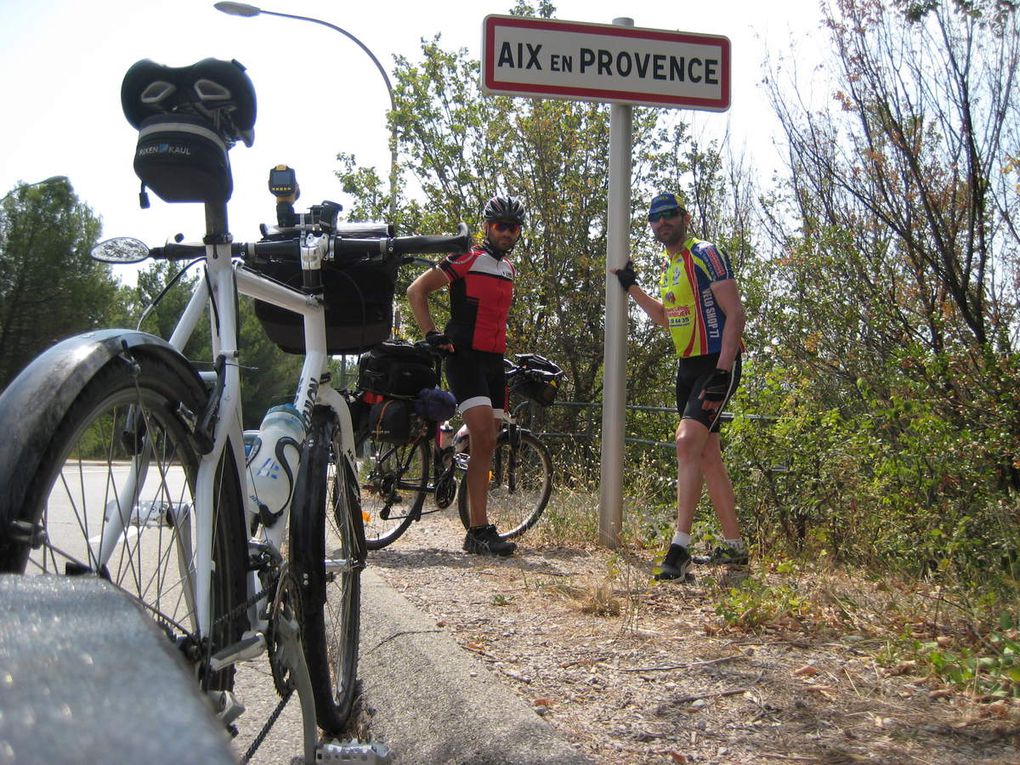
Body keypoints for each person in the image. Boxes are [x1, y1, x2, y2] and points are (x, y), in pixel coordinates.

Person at [615, 191, 748, 581]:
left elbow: (734, 313)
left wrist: (723, 370)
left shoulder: (704, 253)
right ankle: (735, 547)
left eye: (669, 215)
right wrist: (631, 286)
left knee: (686, 441)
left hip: (716, 363)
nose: (662, 222)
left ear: (684, 217)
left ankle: (680, 547)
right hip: (687, 366)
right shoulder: (669, 266)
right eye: (655, 218)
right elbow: (664, 317)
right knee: (707, 455)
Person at [406, 194, 526, 556]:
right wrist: (431, 334)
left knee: (486, 442)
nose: (506, 232)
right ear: (488, 227)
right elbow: (417, 290)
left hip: (493, 363)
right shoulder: (466, 259)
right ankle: (478, 531)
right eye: (500, 226)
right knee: (485, 439)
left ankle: (453, 451)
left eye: (513, 227)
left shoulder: (508, 269)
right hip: (465, 358)